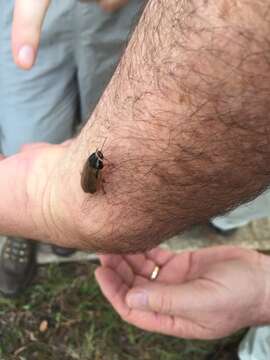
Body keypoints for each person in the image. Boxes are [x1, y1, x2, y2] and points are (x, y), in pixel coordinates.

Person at [1, 0, 270, 356]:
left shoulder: (98, 165)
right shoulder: (96, 168)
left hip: (121, 18)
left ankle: (59, 231)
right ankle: (38, 232)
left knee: (101, 111)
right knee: (31, 134)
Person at [0, 0, 144, 296]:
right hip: (20, 15)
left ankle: (65, 220)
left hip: (126, 16)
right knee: (25, 141)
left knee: (109, 117)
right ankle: (26, 226)